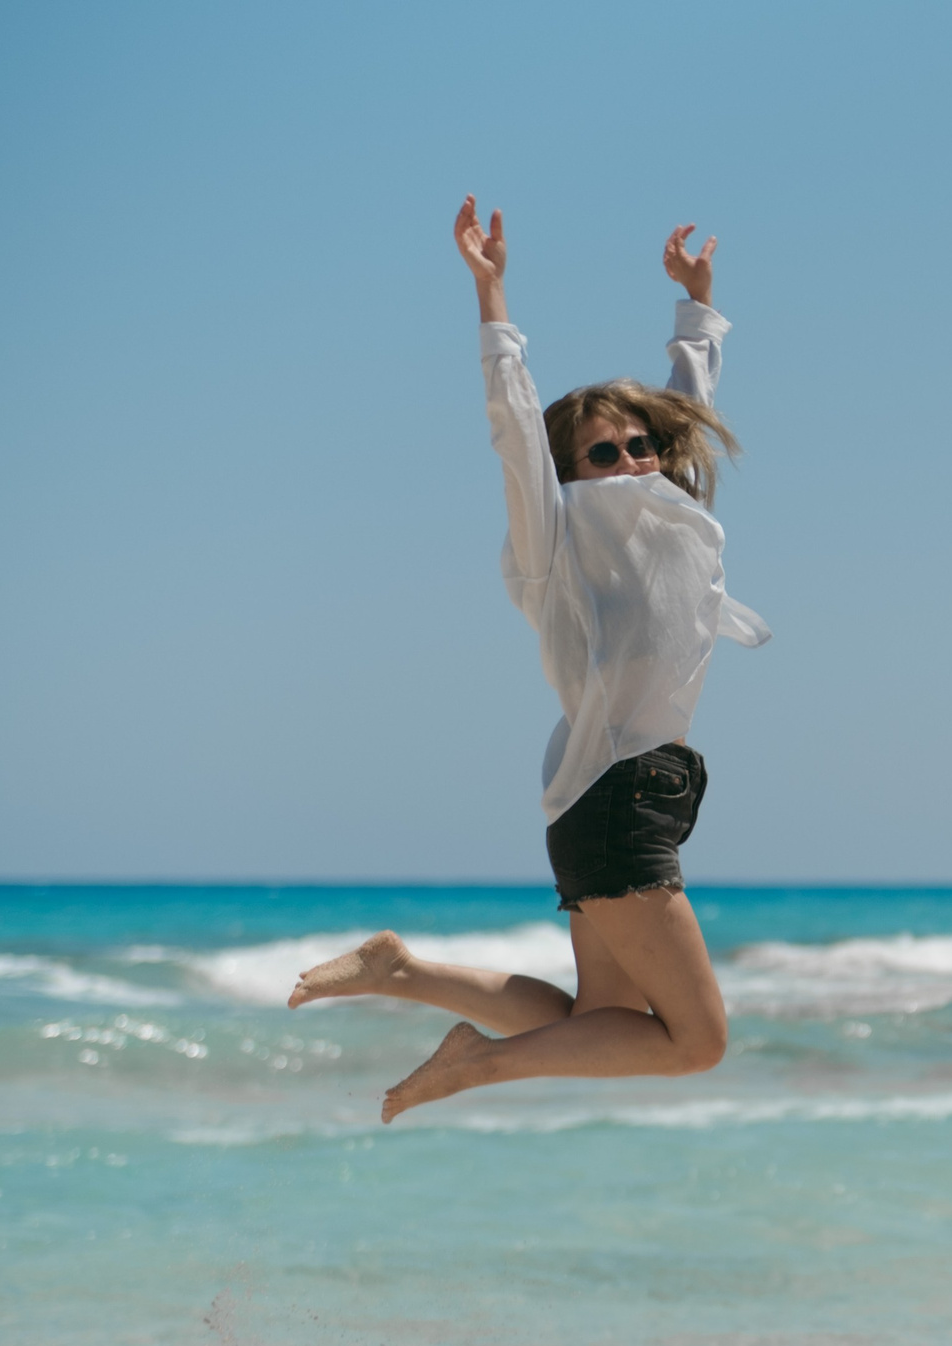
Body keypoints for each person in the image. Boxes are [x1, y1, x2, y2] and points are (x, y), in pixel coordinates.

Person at [290, 197, 771, 1122]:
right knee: (696, 1041)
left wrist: (697, 312)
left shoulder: (671, 514)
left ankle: (404, 970)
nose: (629, 459)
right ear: (570, 472)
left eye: (639, 445)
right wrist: (492, 295)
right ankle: (476, 1064)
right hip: (619, 802)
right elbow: (515, 432)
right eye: (603, 450)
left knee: (599, 1018)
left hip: (624, 793)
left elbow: (686, 413)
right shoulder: (557, 542)